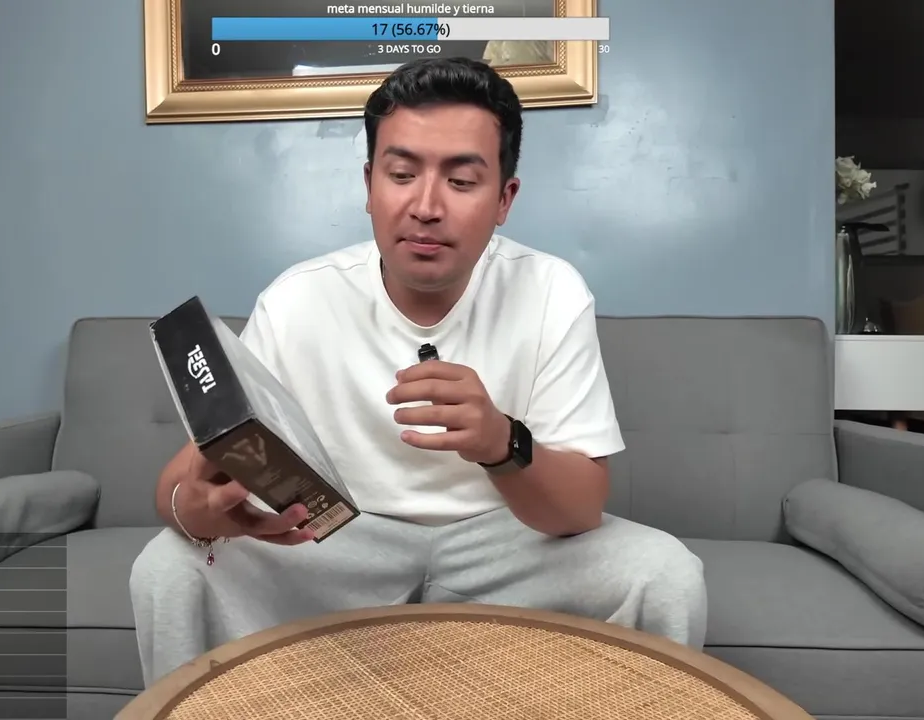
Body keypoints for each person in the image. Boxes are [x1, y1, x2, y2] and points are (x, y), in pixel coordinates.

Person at [130, 57, 707, 686]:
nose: (426, 206)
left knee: (665, 573)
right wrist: (198, 512)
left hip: (507, 546)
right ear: (369, 184)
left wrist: (501, 442)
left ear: (504, 199)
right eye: (402, 174)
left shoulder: (551, 290)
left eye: (461, 181)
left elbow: (580, 510)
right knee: (168, 567)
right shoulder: (299, 299)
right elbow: (179, 485)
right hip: (342, 546)